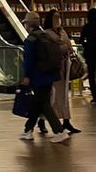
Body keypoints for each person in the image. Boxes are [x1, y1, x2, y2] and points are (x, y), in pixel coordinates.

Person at [20, 11, 69, 143]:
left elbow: (28, 60)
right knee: (38, 103)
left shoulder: (31, 39)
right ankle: (27, 131)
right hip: (50, 74)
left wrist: (25, 76)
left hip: (37, 77)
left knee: (44, 105)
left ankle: (59, 131)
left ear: (28, 24)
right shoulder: (46, 35)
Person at [43, 9, 80, 134]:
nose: (58, 20)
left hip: (65, 66)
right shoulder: (47, 34)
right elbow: (55, 50)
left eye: (59, 17)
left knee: (63, 95)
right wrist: (65, 46)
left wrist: (65, 46)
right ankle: (43, 120)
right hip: (54, 68)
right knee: (53, 96)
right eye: (55, 17)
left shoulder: (62, 31)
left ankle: (66, 120)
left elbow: (67, 45)